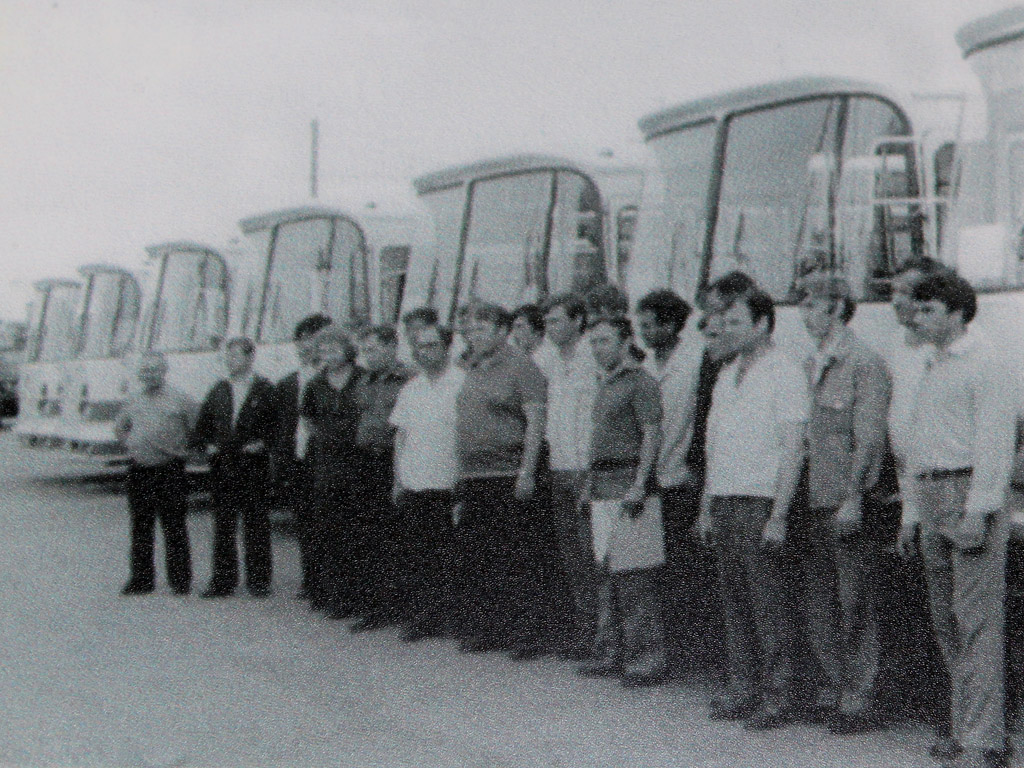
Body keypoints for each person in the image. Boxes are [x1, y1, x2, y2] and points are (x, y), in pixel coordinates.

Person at [899, 273, 1018, 768]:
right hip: (930, 494)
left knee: (978, 624)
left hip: (968, 495)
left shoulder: (986, 363)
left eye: (927, 310)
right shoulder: (930, 363)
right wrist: (911, 511)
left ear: (956, 312)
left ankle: (985, 742)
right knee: (946, 621)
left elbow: (995, 444)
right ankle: (965, 727)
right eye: (917, 309)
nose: (917, 317)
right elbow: (918, 443)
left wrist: (978, 510)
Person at [697, 287, 809, 730]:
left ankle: (779, 696)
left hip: (760, 504)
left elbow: (792, 448)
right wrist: (706, 505)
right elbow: (714, 445)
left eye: (736, 322)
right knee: (735, 603)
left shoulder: (785, 372)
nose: (725, 330)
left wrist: (779, 514)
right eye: (722, 323)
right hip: (725, 500)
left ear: (762, 324)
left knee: (769, 604)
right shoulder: (727, 375)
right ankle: (744, 689)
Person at [795, 275, 892, 732]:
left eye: (812, 305)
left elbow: (868, 439)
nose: (804, 313)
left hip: (845, 501)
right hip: (813, 498)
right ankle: (834, 687)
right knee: (820, 600)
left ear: (837, 308)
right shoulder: (813, 363)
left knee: (855, 601)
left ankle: (861, 696)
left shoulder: (864, 363)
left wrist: (854, 497)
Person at [453, 302, 548, 658]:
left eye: (480, 330)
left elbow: (536, 421)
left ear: (501, 330)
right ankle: (489, 628)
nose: (473, 337)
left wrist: (527, 470)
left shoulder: (521, 366)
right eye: (470, 331)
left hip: (508, 473)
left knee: (517, 557)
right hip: (474, 473)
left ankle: (527, 634)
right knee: (481, 555)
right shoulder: (472, 367)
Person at [577, 316, 666, 686]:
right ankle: (611, 651)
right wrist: (588, 484)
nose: (598, 350)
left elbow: (651, 434)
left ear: (626, 341)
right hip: (601, 484)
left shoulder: (641, 382)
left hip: (629, 483)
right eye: (593, 342)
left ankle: (646, 659)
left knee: (636, 578)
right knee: (607, 573)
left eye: (605, 341)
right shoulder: (605, 383)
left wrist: (640, 484)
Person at [635, 289, 702, 677]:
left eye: (648, 326)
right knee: (656, 569)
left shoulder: (694, 362)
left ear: (670, 325)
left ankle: (693, 654)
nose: (642, 333)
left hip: (680, 477)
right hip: (651, 478)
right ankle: (669, 652)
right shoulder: (646, 366)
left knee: (684, 569)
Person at [532, 293, 600, 659]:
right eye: (546, 322)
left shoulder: (595, 357)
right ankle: (585, 633)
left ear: (578, 320)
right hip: (558, 468)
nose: (550, 328)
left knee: (595, 559)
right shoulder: (546, 359)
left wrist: (593, 472)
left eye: (557, 320)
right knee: (572, 559)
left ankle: (604, 639)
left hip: (588, 470)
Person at [389, 322, 465, 641]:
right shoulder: (411, 388)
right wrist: (397, 479)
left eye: (432, 345)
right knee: (418, 554)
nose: (425, 352)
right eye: (420, 346)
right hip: (415, 482)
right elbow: (401, 437)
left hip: (448, 482)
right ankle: (421, 617)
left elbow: (467, 435)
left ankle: (452, 619)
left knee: (451, 554)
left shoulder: (462, 383)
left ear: (447, 347)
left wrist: (463, 481)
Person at [193, 338, 279, 598]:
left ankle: (259, 581)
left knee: (256, 522)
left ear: (250, 358)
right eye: (226, 357)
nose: (230, 361)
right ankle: (223, 581)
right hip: (224, 466)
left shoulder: (264, 389)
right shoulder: (219, 389)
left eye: (235, 356)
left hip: (253, 466)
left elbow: (277, 426)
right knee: (223, 524)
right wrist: (206, 445)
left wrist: (263, 444)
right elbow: (202, 426)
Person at [115, 352, 197, 596]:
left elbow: (195, 428)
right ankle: (141, 580)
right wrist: (130, 444)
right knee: (141, 527)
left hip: (169, 469)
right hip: (139, 470)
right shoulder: (133, 399)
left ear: (164, 371)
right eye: (145, 370)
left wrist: (180, 450)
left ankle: (180, 581)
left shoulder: (180, 399)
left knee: (174, 526)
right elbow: (120, 427)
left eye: (154, 370)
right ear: (140, 374)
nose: (149, 375)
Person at [349, 324, 412, 632]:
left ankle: (399, 605)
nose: (366, 356)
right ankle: (374, 605)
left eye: (372, 350)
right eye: (364, 351)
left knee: (396, 533)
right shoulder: (363, 381)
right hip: (365, 460)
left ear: (391, 348)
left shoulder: (407, 379)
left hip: (393, 460)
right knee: (369, 533)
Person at [301, 327, 362, 619]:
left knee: (358, 529)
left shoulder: (362, 378)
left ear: (348, 350)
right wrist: (326, 440)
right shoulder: (315, 384)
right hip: (327, 464)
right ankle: (331, 594)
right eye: (323, 350)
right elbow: (309, 419)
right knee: (329, 529)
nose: (328, 355)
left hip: (360, 462)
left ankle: (359, 596)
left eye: (334, 348)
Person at [274, 314, 331, 600]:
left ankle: (332, 583)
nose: (306, 346)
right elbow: (282, 428)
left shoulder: (332, 380)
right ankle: (311, 580)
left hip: (327, 462)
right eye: (301, 341)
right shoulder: (288, 383)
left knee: (330, 523)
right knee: (305, 522)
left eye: (313, 340)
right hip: (299, 461)